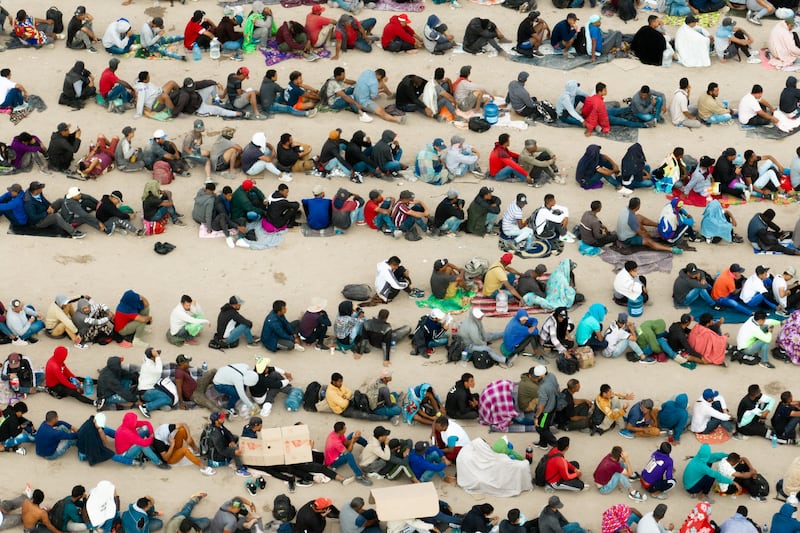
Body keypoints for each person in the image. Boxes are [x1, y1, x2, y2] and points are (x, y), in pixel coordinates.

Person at [324, 421, 373, 486]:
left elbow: (345, 443)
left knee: (353, 434)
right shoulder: (335, 442)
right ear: (341, 431)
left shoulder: (337, 433)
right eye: (344, 428)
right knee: (349, 456)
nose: (346, 429)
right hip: (333, 462)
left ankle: (370, 448)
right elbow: (348, 451)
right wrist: (353, 440)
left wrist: (354, 437)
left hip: (338, 451)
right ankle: (359, 476)